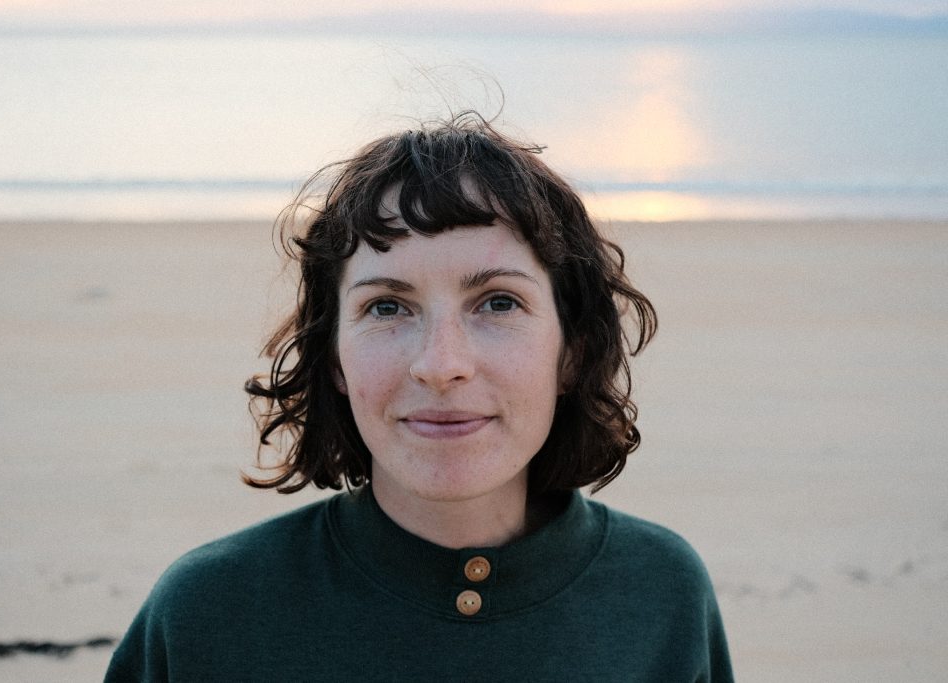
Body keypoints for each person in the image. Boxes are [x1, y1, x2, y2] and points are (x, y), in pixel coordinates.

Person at [106, 112, 733, 681]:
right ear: (333, 359)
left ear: (571, 351)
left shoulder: (663, 593)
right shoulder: (207, 614)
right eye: (387, 307)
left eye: (498, 302)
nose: (441, 366)